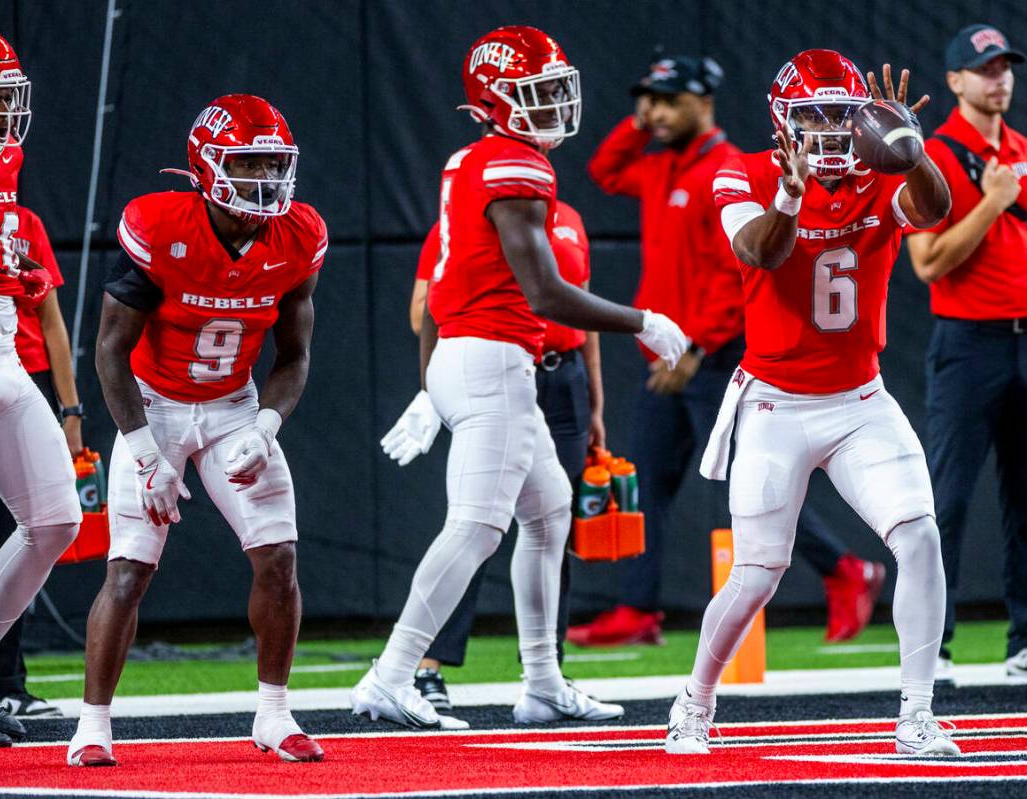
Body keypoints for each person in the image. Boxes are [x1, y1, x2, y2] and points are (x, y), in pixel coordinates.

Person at [352, 25, 687, 730]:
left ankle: (541, 680)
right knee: (476, 526)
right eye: (536, 94)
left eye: (556, 89)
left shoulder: (469, 161)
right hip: (492, 360)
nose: (554, 105)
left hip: (471, 356)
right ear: (493, 101)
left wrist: (428, 384)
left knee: (549, 510)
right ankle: (391, 672)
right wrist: (644, 322)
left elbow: (452, 279)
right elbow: (544, 292)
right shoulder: (515, 168)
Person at [664, 50, 959, 757]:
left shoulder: (875, 168)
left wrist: (912, 154)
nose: (828, 130)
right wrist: (790, 198)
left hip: (860, 400)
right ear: (780, 120)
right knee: (758, 570)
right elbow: (757, 252)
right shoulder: (744, 170)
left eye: (840, 114)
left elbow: (936, 208)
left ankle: (916, 714)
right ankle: (693, 701)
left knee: (917, 536)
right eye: (811, 116)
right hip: (774, 403)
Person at [575, 53, 885, 648]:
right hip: (668, 356)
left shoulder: (723, 166)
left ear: (705, 102)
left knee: (746, 479)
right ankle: (637, 608)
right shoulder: (663, 163)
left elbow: (734, 275)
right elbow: (604, 171)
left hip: (707, 355)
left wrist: (694, 345)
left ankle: (845, 569)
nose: (657, 113)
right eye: (651, 102)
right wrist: (643, 122)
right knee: (646, 479)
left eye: (670, 101)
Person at [66, 94, 328, 766]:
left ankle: (273, 714)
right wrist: (146, 451)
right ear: (207, 166)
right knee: (129, 567)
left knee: (279, 556)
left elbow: (294, 357)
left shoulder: (297, 235)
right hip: (151, 405)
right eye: (248, 164)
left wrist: (265, 425)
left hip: (233, 404)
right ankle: (92, 725)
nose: (265, 180)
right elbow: (108, 351)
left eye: (274, 164)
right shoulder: (159, 225)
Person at [402, 201, 603, 711]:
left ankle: (546, 674)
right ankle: (421, 666)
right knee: (478, 524)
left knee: (555, 521)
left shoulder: (571, 219)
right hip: (500, 374)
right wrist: (433, 387)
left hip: (562, 377)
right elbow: (423, 308)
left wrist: (596, 403)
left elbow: (581, 306)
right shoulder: (465, 220)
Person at [0, 24, 81, 748]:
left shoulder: (6, 154)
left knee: (57, 520)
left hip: (5, 353)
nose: (3, 112)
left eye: (8, 97)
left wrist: (21, 277)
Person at [905, 24, 1027, 683]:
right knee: (944, 499)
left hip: (1022, 337)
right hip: (966, 343)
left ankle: (1023, 644)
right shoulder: (932, 156)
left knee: (1024, 500)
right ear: (954, 81)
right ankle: (934, 646)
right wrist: (989, 204)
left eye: (1003, 67)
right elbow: (926, 263)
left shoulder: (1019, 148)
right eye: (983, 69)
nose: (998, 79)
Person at [0, 204, 86, 720]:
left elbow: (52, 321)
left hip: (23, 379)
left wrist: (70, 410)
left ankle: (2, 679)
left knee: (38, 525)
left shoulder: (22, 222)